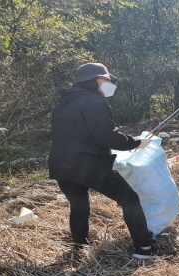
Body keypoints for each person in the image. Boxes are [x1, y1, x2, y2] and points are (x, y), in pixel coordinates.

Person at [48, 62, 163, 259]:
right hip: (87, 164)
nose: (110, 83)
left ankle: (79, 245)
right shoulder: (93, 101)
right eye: (106, 79)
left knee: (79, 204)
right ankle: (144, 248)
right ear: (94, 80)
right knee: (130, 199)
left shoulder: (64, 103)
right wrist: (136, 142)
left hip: (61, 165)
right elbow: (106, 136)